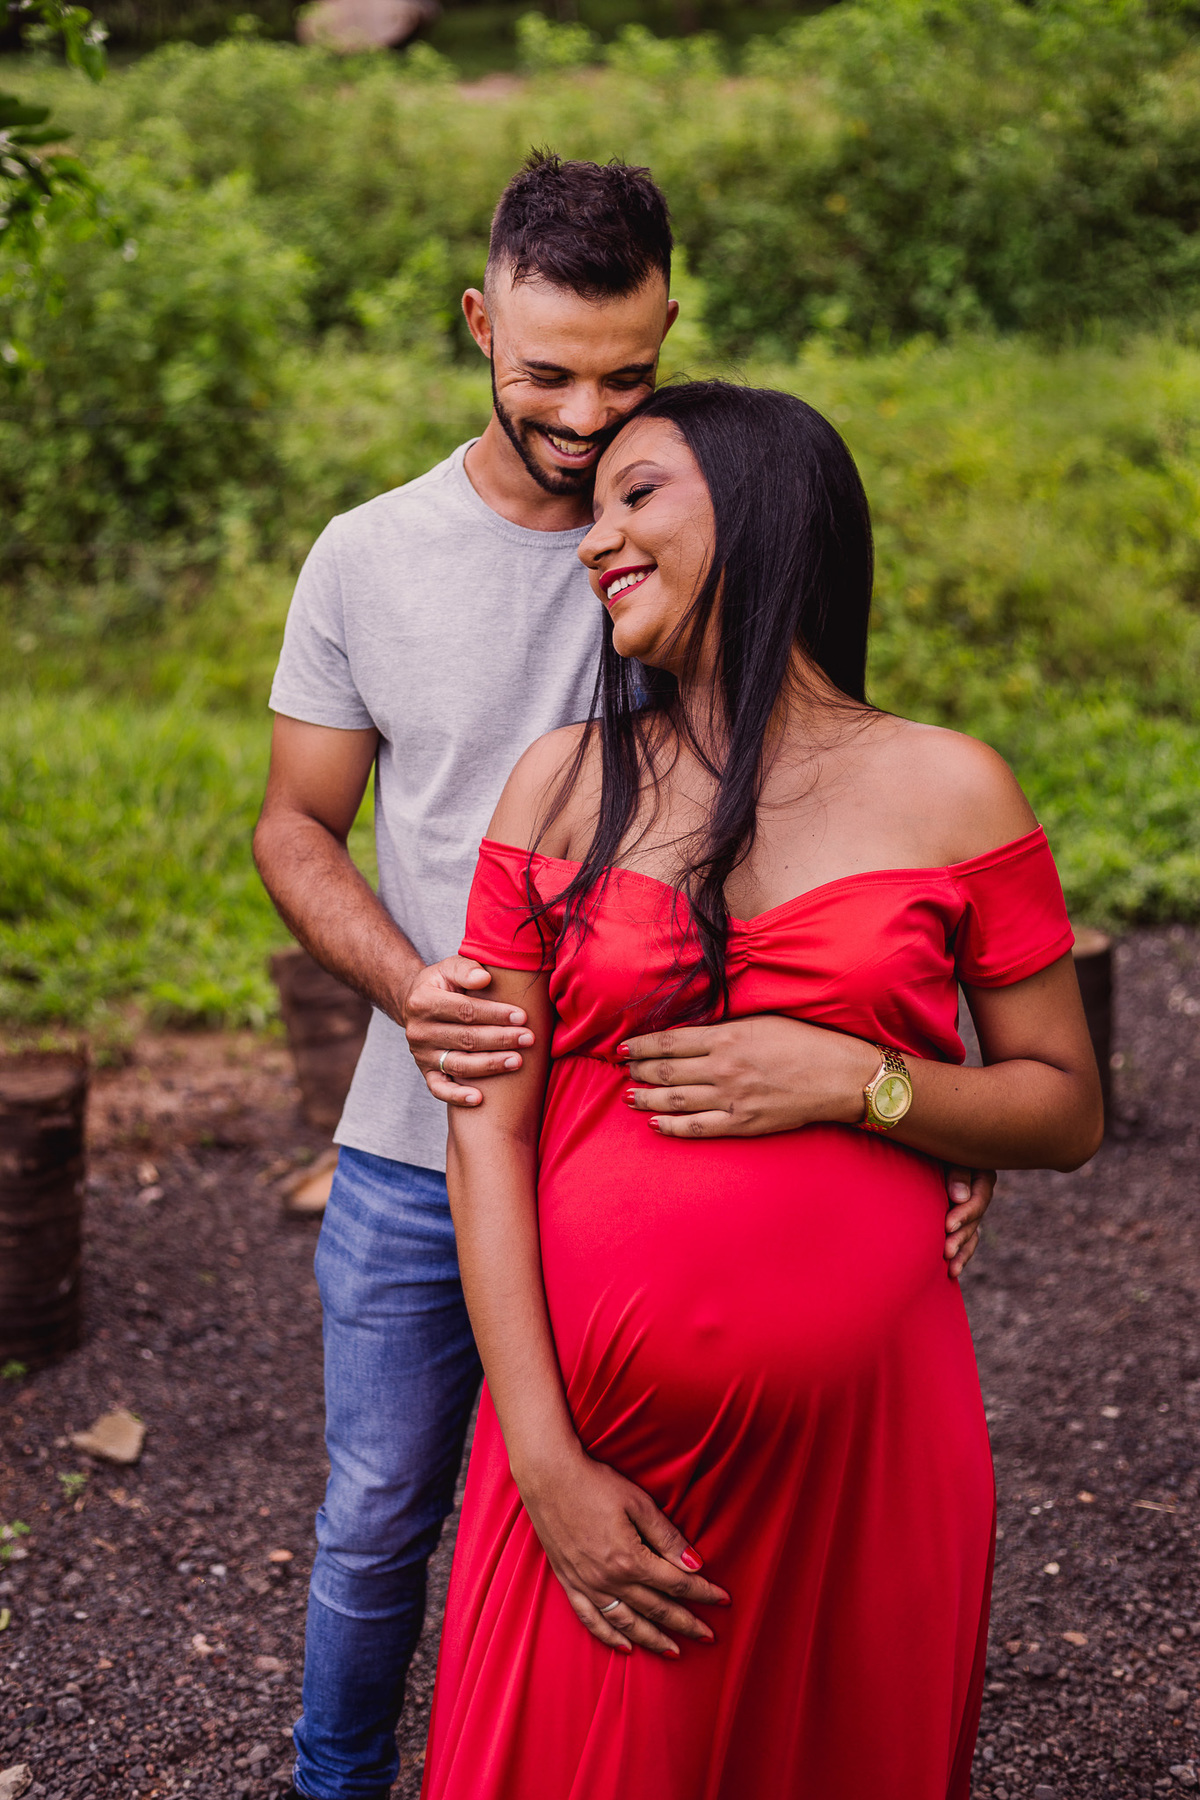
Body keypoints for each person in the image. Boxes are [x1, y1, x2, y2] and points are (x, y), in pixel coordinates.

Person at [253, 157, 997, 1800]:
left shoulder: (701, 511)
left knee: (641, 1550)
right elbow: (297, 827)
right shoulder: (369, 558)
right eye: (546, 376)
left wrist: (914, 1101)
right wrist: (407, 979)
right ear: (478, 325)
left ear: (669, 336)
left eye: (626, 377)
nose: (588, 423)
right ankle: (335, 1780)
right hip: (421, 1125)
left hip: (635, 1128)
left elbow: (838, 823)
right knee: (381, 1513)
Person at [420, 381, 1104, 1800]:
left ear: (767, 507)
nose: (594, 537)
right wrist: (541, 1457)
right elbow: (484, 1137)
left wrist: (868, 1083)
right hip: (595, 1453)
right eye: (589, 505)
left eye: (637, 494)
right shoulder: (562, 786)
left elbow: (1063, 1106)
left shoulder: (953, 788)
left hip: (868, 1463)